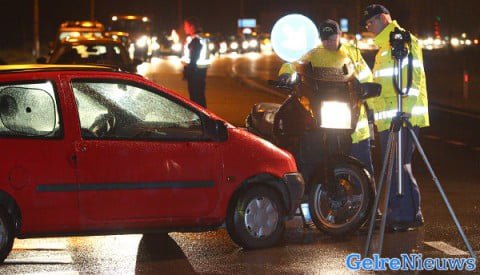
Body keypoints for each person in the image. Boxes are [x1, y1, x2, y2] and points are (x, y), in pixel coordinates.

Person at [360, 4, 430, 231]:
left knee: (399, 165)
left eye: (370, 22)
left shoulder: (401, 41)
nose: (367, 27)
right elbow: (384, 85)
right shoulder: (383, 48)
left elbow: (413, 77)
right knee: (395, 165)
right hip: (388, 117)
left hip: (401, 116)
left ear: (381, 19)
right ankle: (406, 212)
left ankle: (402, 215)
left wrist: (405, 112)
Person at [278, 19, 375, 177]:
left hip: (354, 121)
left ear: (340, 35)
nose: (328, 42)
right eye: (325, 39)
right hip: (326, 117)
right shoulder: (314, 53)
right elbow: (292, 63)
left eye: (332, 38)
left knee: (364, 170)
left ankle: (368, 200)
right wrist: (285, 74)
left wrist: (367, 90)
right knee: (316, 157)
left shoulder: (353, 53)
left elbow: (366, 77)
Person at [181, 17, 210, 107]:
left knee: (196, 98)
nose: (184, 28)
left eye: (186, 26)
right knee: (199, 96)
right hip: (199, 71)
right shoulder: (200, 38)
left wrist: (188, 70)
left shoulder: (196, 40)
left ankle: (201, 118)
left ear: (192, 27)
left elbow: (194, 57)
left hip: (195, 72)